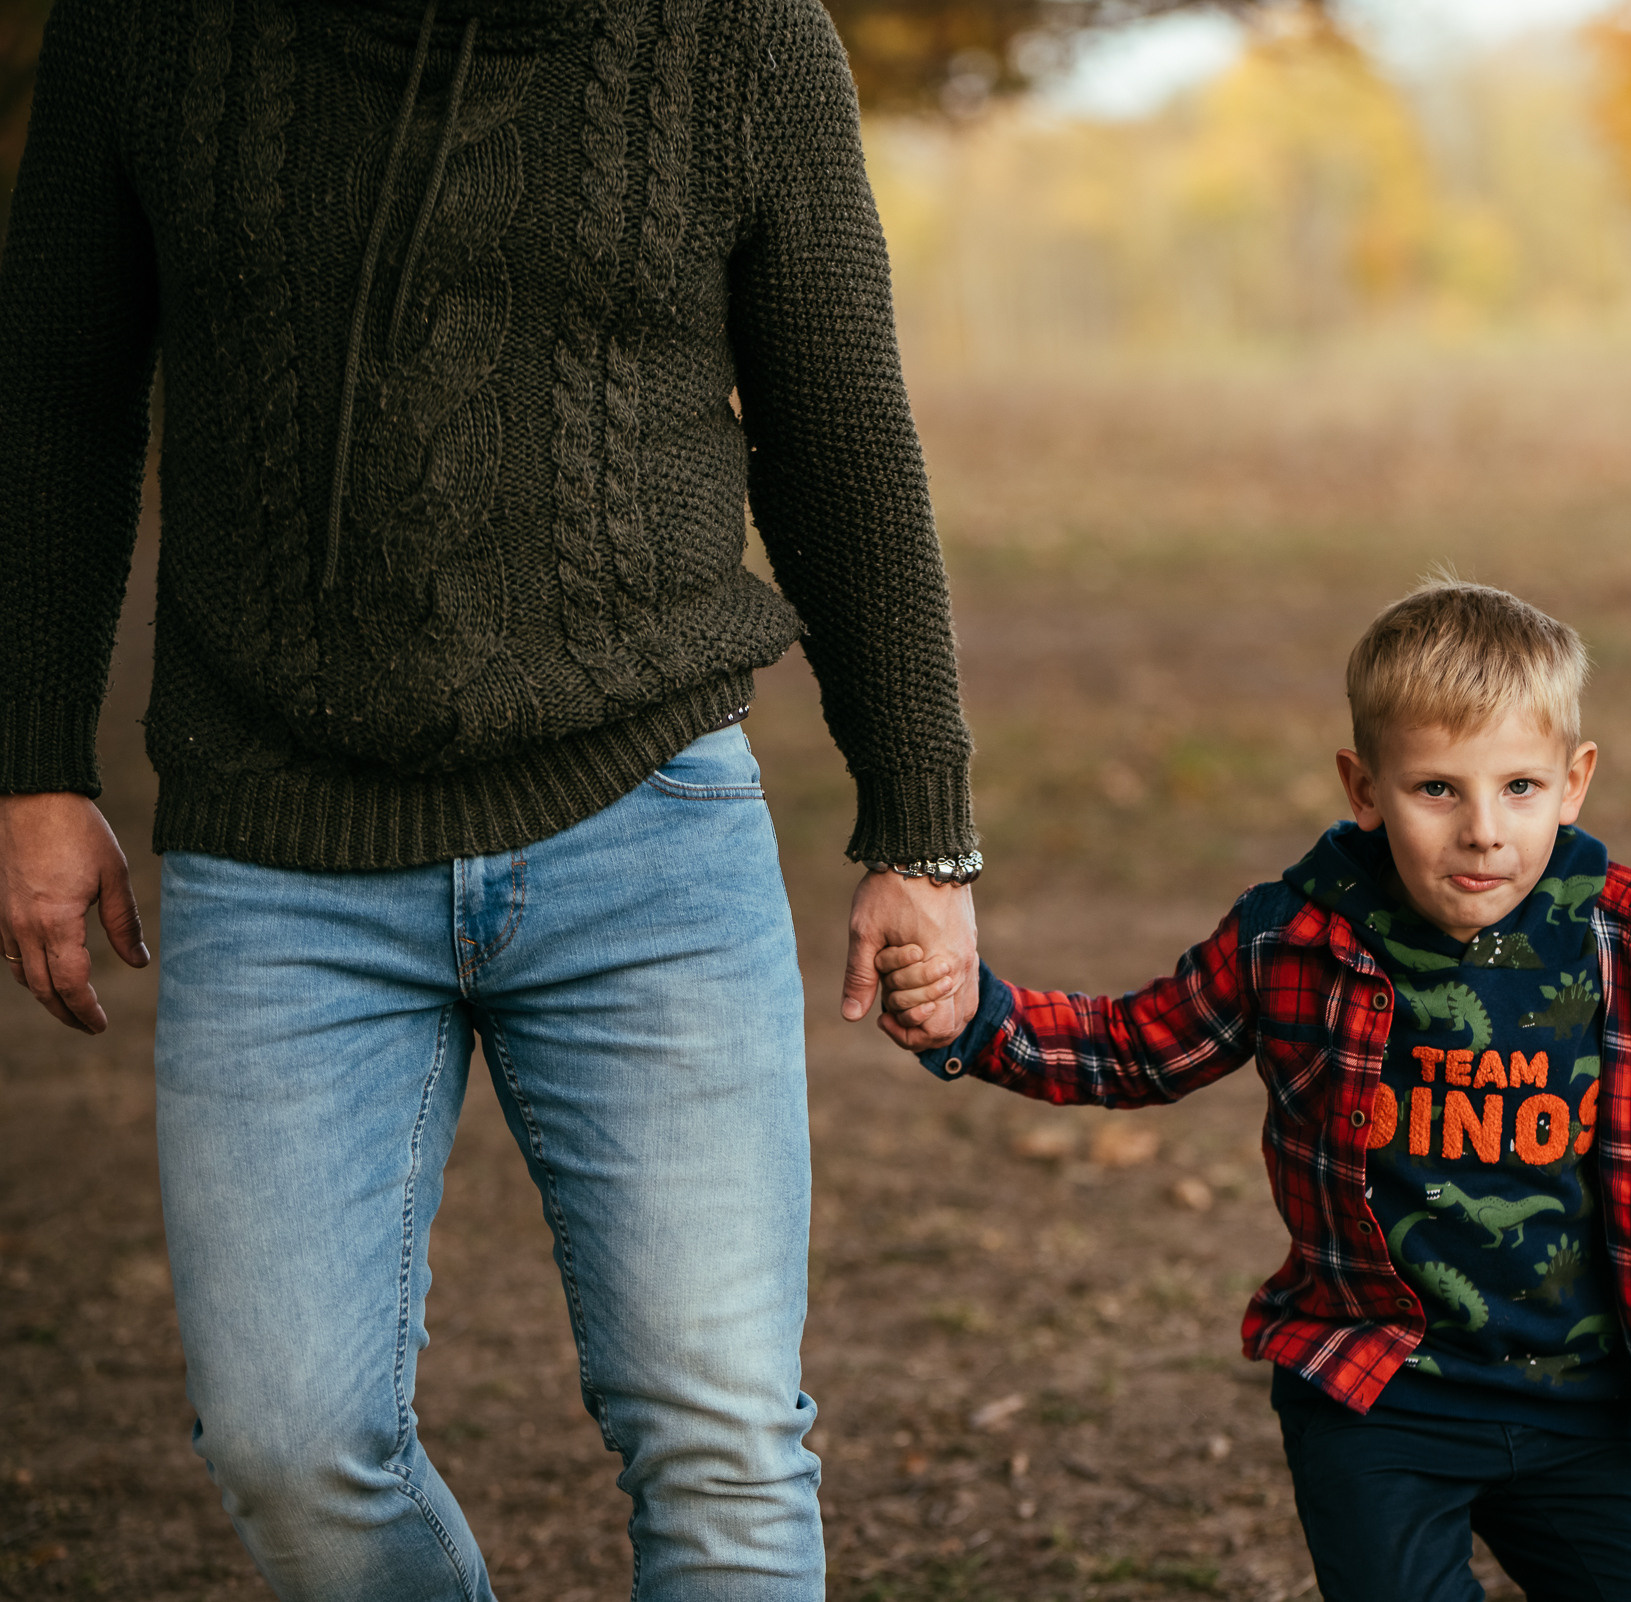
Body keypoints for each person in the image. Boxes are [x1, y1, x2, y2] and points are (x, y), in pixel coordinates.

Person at [0, 0, 979, 1593]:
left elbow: (840, 424)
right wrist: (34, 758)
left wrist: (921, 823)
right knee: (289, 1449)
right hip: (280, 841)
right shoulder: (144, 31)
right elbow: (54, 396)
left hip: (647, 823)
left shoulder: (741, 36)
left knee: (721, 1440)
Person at [886, 583, 1631, 1601]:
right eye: (1438, 789)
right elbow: (1137, 1048)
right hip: (1381, 1398)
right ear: (1365, 787)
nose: (1483, 831)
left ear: (1575, 783)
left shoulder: (1605, 935)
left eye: (1519, 787)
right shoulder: (1293, 937)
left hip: (1576, 1402)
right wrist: (978, 1019)